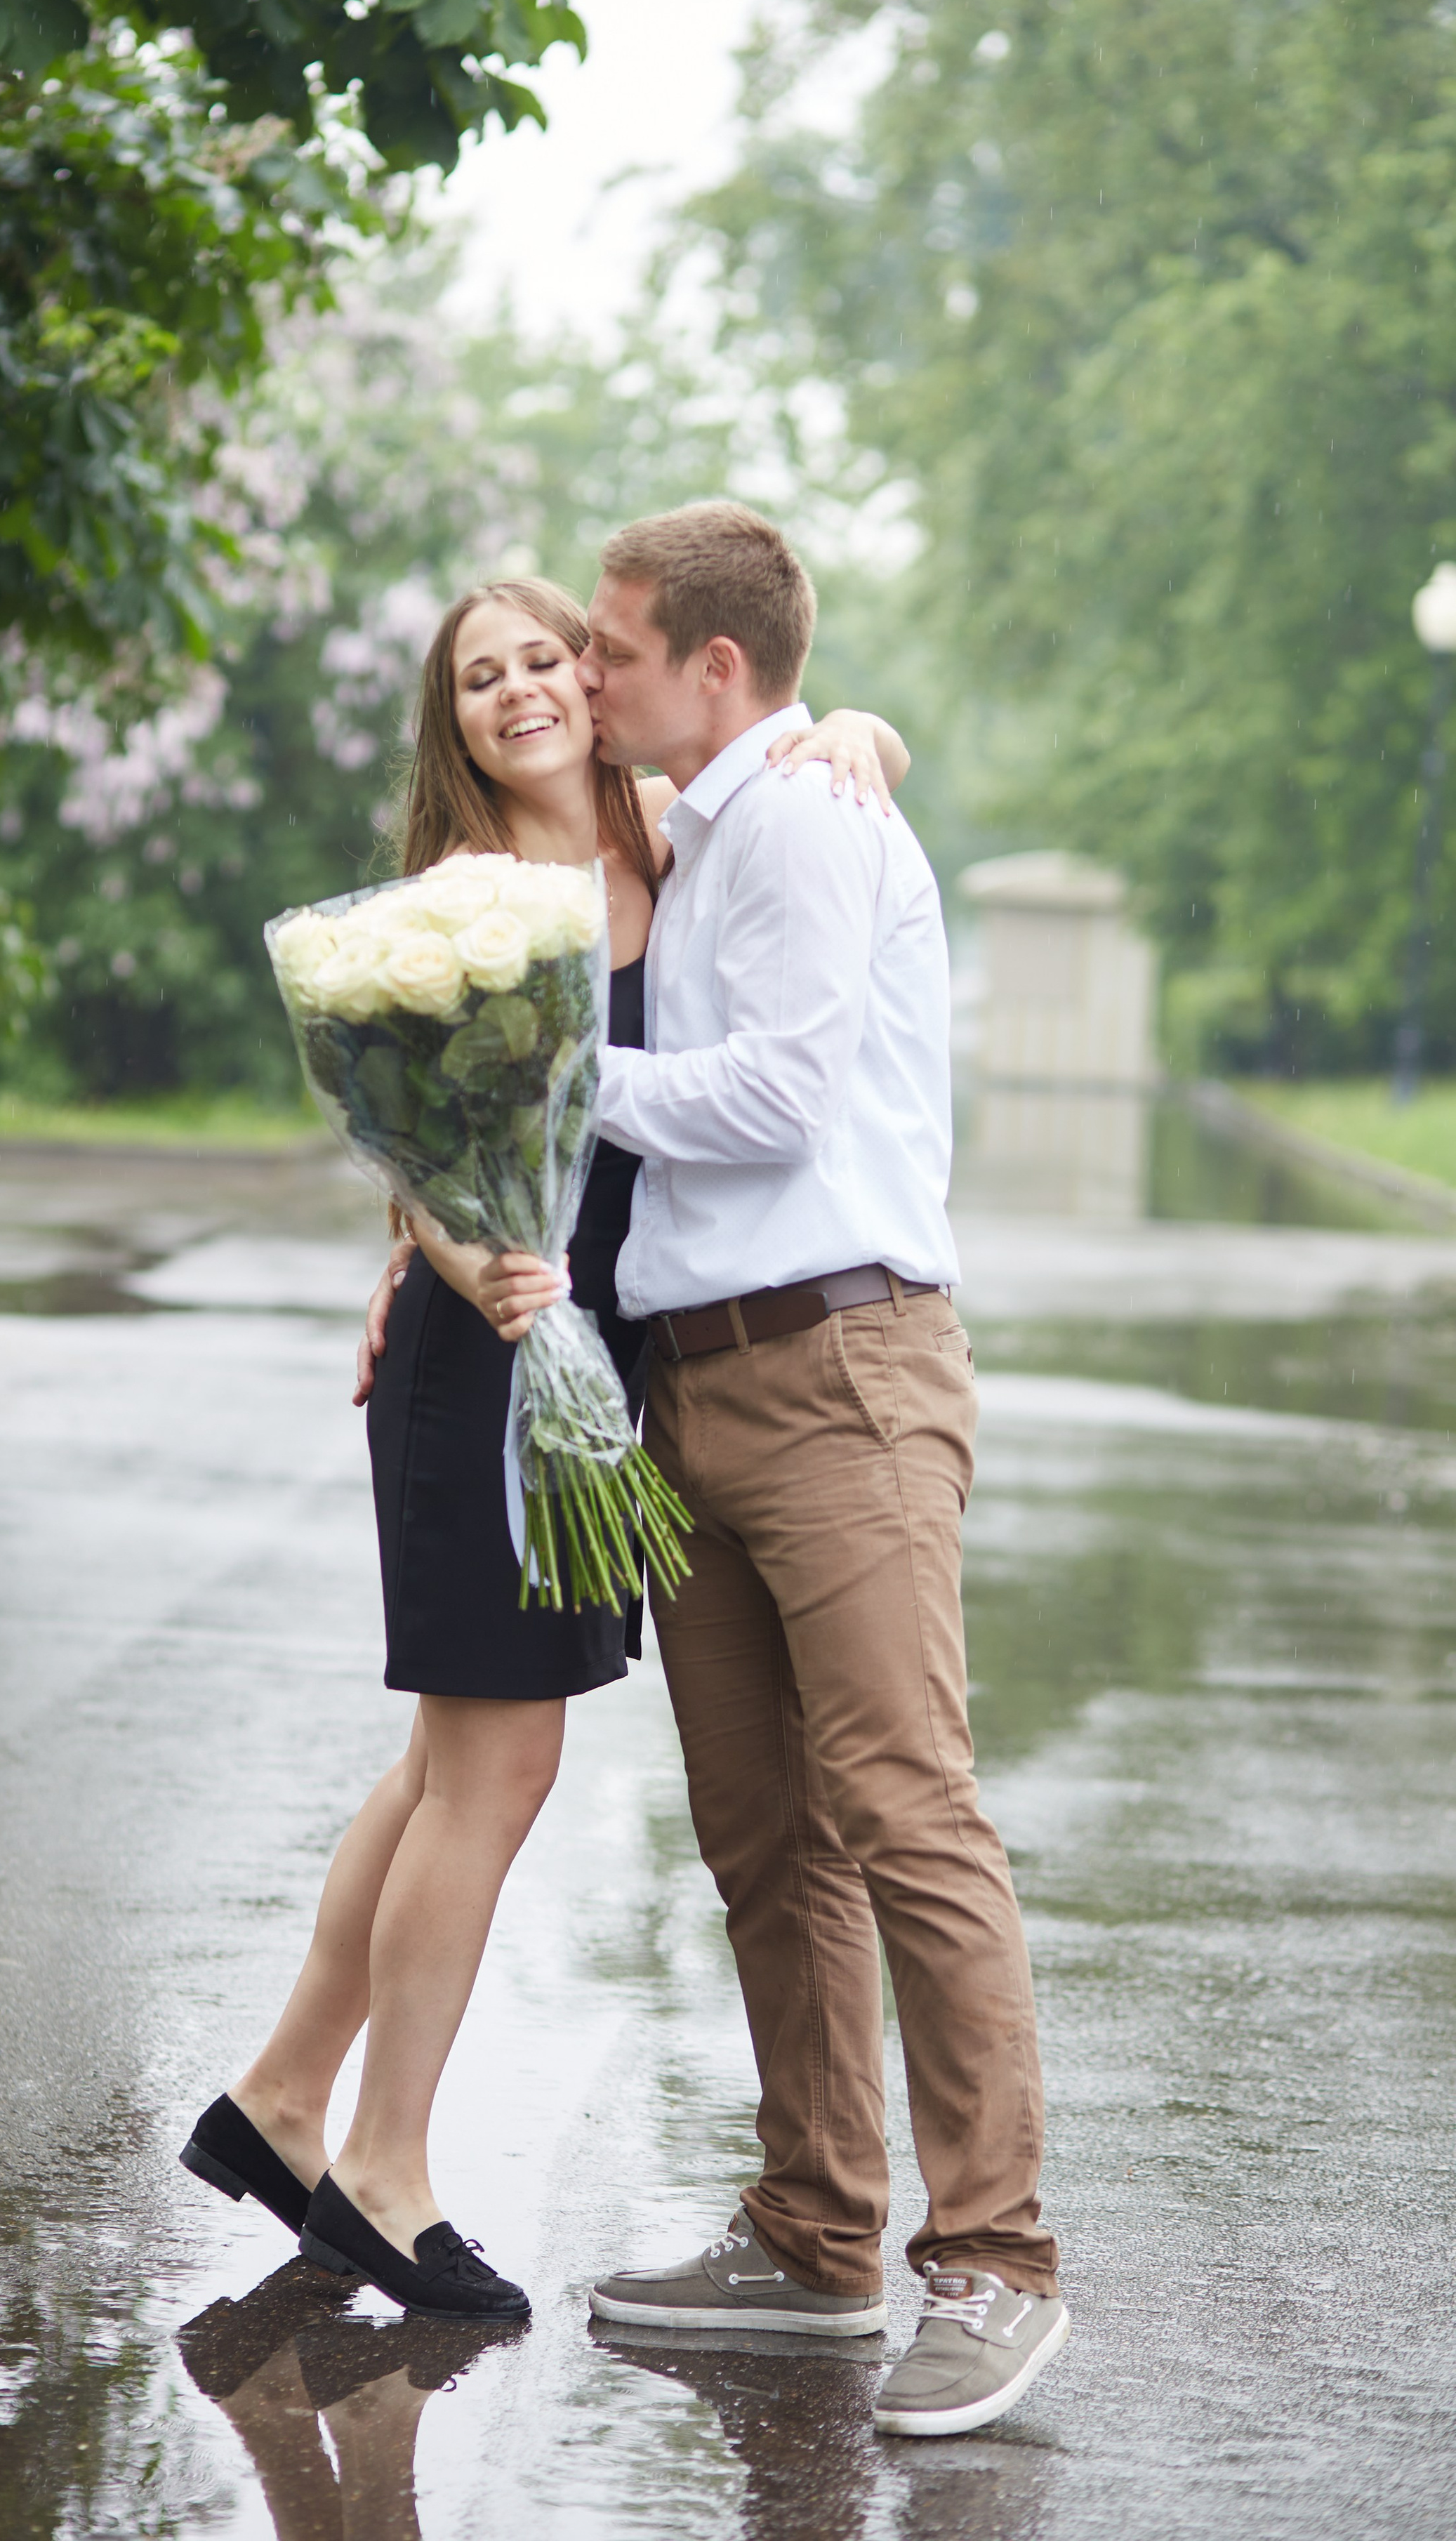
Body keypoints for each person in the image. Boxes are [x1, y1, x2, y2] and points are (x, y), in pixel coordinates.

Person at [180, 574, 908, 2321]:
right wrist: (457, 1267)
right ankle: (383, 2162)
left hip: (614, 1357)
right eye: (478, 677)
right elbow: (425, 1148)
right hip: (495, 1348)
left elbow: (808, 757)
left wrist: (866, 738)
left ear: (592, 681)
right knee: (491, 1776)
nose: (517, 691)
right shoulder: (459, 904)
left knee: (449, 1771)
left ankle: (282, 2102)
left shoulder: (671, 835)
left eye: (539, 659)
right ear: (455, 718)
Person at [572, 503, 1069, 2441]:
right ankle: (815, 2232)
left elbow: (774, 1098)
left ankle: (999, 2263)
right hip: (705, 1384)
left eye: (615, 644)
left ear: (717, 665)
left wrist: (547, 1068)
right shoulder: (711, 830)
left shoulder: (804, 821)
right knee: (765, 1831)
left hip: (843, 1364)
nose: (590, 669)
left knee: (906, 1810)